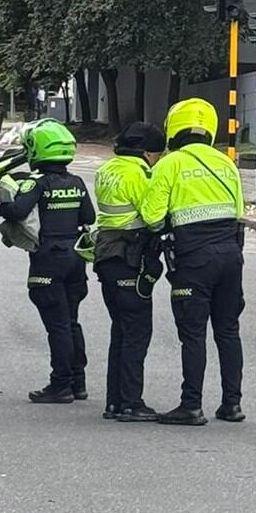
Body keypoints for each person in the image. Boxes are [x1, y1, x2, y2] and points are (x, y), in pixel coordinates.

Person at [141, 99, 246, 426]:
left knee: (193, 333)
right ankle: (232, 405)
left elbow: (152, 217)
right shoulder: (227, 163)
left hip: (194, 258)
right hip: (231, 256)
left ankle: (191, 405)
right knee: (228, 331)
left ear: (174, 128)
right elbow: (239, 212)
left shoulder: (170, 164)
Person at [0, 120, 95, 404]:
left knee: (58, 325)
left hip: (48, 259)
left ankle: (60, 384)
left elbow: (16, 211)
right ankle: (78, 382)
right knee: (71, 321)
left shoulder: (36, 182)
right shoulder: (76, 183)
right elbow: (88, 217)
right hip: (75, 259)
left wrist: (3, 201)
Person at [93, 122, 167, 422]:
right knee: (137, 331)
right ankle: (131, 402)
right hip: (129, 257)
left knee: (120, 330)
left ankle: (115, 401)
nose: (158, 160)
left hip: (105, 255)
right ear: (147, 152)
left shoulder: (107, 169)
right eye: (158, 155)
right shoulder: (138, 173)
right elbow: (153, 219)